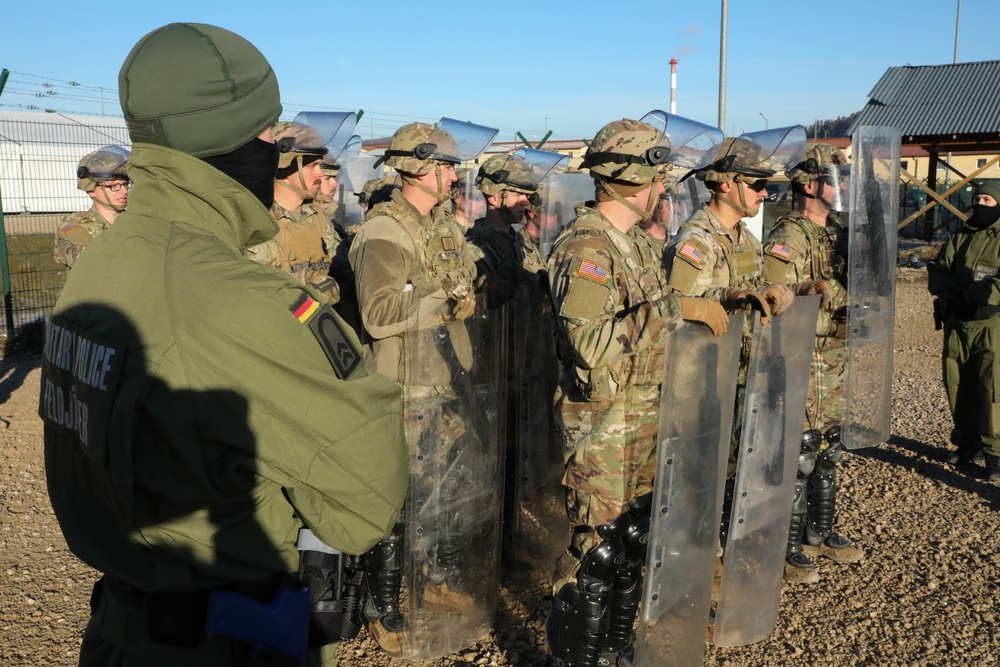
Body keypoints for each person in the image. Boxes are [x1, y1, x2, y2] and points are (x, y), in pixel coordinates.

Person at [40, 22, 408, 667]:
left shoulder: (103, 266)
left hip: (124, 628)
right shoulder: (234, 297)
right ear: (232, 138)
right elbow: (363, 504)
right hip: (224, 639)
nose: (275, 149)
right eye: (268, 134)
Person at [545, 114, 728, 667]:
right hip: (602, 429)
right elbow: (592, 346)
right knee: (596, 553)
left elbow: (668, 308)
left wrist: (738, 299)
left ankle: (616, 650)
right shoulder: (587, 250)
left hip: (646, 419)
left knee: (631, 544)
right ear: (630, 179)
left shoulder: (640, 247)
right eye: (657, 177)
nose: (663, 190)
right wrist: (681, 309)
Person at [348, 119, 499, 660]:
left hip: (442, 381)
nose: (455, 175)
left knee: (441, 491)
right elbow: (380, 313)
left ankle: (432, 578)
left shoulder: (439, 224)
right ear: (421, 168)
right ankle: (383, 606)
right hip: (404, 386)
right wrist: (443, 291)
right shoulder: (384, 233)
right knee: (397, 500)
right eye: (448, 167)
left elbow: (461, 282)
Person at [761, 143, 864, 583]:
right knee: (798, 453)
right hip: (804, 360)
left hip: (834, 365)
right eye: (833, 179)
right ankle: (784, 544)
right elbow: (778, 310)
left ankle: (818, 533)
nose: (841, 188)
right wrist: (834, 324)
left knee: (829, 448)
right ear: (807, 184)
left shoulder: (836, 233)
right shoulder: (788, 237)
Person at [928, 180, 1000, 481]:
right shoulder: (960, 235)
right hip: (958, 323)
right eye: (977, 198)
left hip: (991, 325)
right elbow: (939, 268)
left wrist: (972, 298)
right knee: (957, 383)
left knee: (992, 388)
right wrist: (951, 296)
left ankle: (995, 452)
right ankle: (967, 442)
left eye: (988, 200)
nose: (980, 204)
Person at [248, 119, 344, 304]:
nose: (321, 174)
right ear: (285, 163)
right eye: (311, 166)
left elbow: (341, 272)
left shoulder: (318, 217)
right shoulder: (259, 220)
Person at [54, 146, 129, 268]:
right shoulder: (76, 228)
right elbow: (92, 264)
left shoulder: (135, 221)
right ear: (91, 190)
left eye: (125, 184)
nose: (124, 191)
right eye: (114, 186)